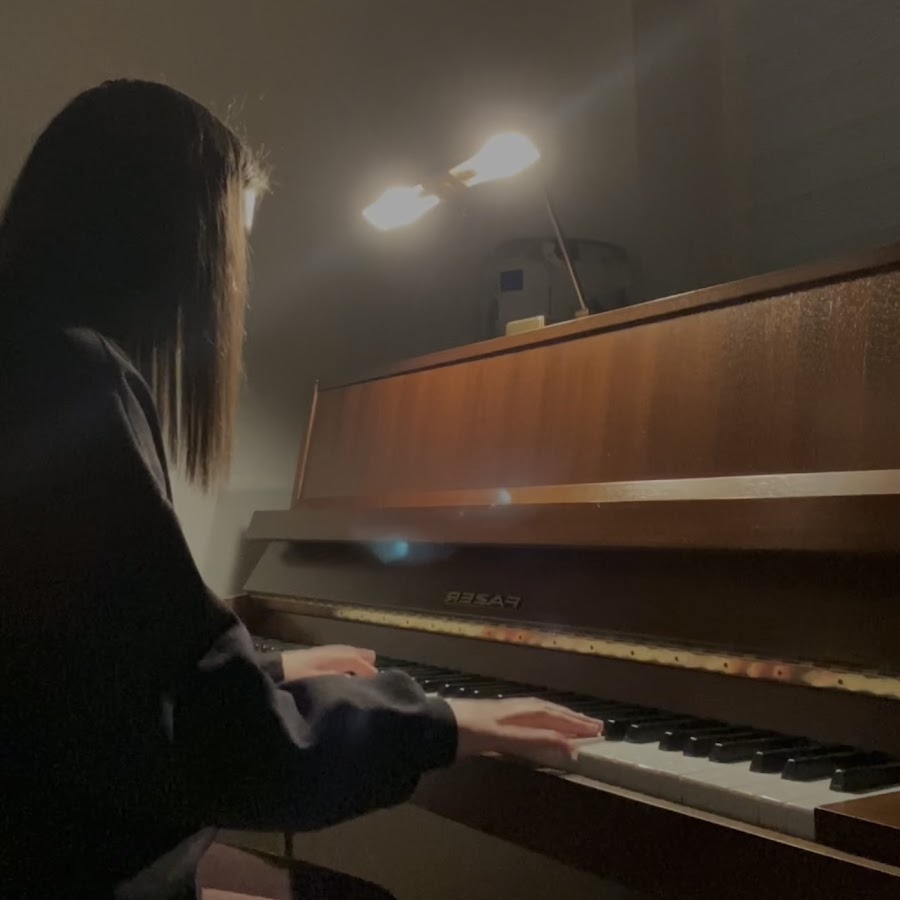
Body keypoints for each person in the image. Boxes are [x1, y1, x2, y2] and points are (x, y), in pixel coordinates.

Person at [0, 80, 601, 900]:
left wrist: (270, 670)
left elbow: (102, 673)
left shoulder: (27, 361)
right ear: (171, 246)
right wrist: (440, 721)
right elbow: (219, 746)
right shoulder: (72, 380)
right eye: (230, 254)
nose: (227, 292)